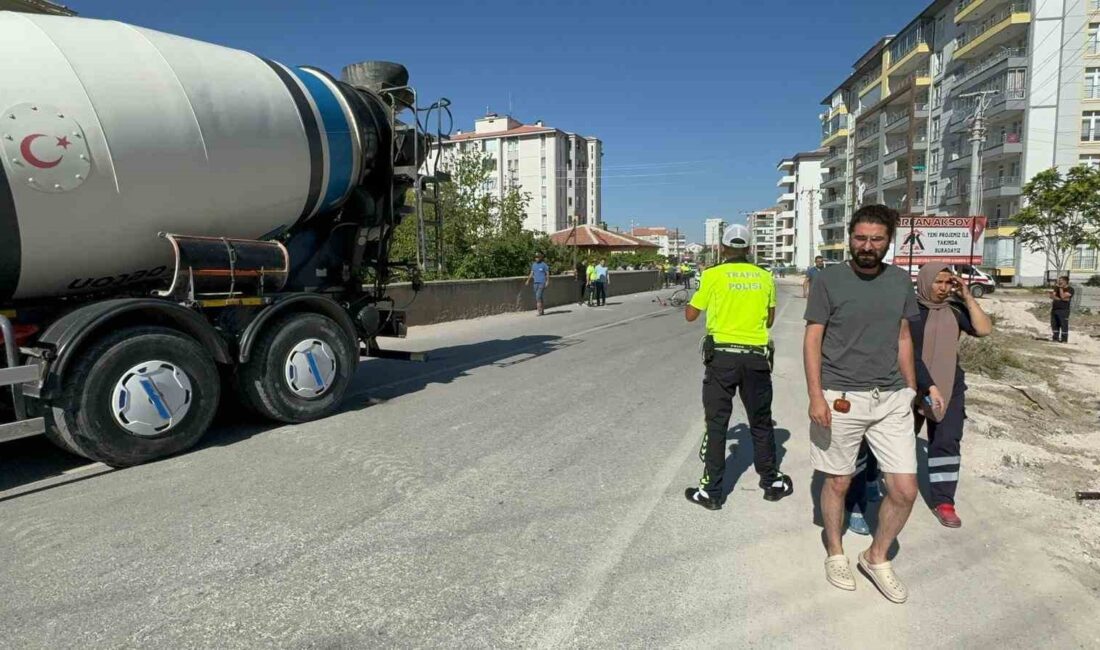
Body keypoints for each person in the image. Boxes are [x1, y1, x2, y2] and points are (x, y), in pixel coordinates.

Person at [803, 204, 921, 604]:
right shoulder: (828, 280)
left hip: (890, 398)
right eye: (860, 238)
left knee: (904, 489)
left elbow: (903, 336)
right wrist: (815, 395)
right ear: (849, 237)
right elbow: (813, 338)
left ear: (889, 241)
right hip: (841, 398)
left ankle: (876, 556)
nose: (867, 246)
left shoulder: (901, 281)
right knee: (838, 480)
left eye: (876, 239)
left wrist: (911, 389)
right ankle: (835, 551)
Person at [684, 224, 793, 511]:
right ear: (749, 248)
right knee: (761, 421)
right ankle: (771, 483)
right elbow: (769, 321)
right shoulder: (765, 277)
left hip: (722, 359)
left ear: (722, 248)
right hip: (755, 358)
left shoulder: (712, 275)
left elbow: (690, 315)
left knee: (717, 423)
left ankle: (711, 491)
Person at [910, 262, 993, 528]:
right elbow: (907, 353)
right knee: (896, 439)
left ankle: (944, 501)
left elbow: (983, 329)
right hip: (911, 385)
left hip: (949, 386)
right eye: (939, 282)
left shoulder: (955, 311)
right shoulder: (909, 311)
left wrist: (967, 296)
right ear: (925, 282)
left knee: (947, 441)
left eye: (949, 283)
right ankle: (876, 484)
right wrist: (926, 385)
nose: (944, 288)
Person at [1050, 276, 1074, 343]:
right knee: (1054, 324)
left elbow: (1063, 296)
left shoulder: (1070, 289)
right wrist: (1060, 298)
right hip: (1055, 309)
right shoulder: (1056, 288)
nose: (1059, 282)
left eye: (1061, 280)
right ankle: (1055, 338)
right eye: (1059, 280)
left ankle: (1064, 340)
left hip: (1063, 310)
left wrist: (1060, 288)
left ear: (1065, 281)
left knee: (1063, 325)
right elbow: (1052, 296)